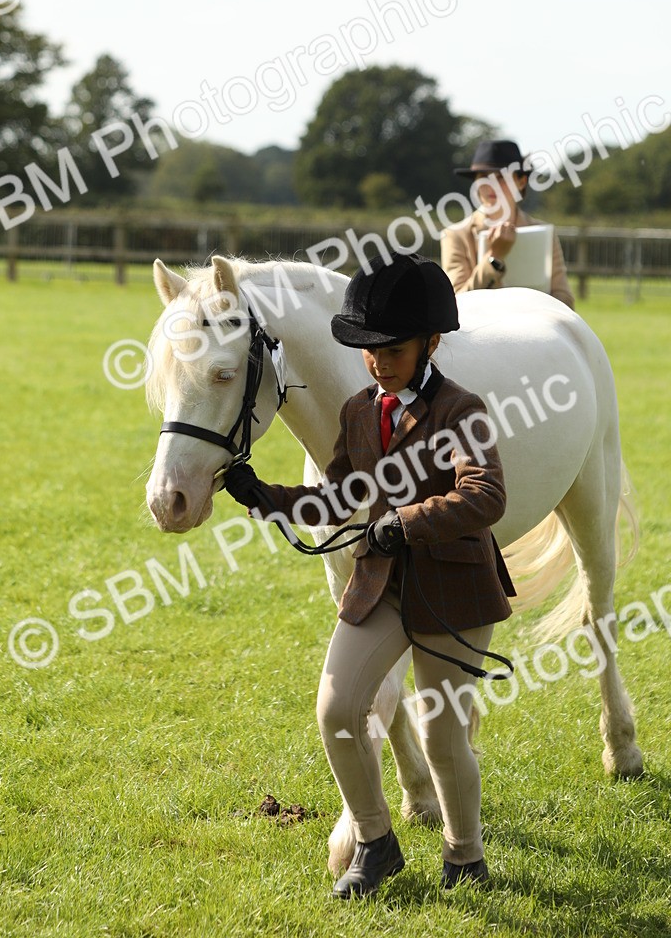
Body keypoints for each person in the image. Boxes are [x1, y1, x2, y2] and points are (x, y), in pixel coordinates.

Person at [223, 253, 515, 898]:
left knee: (443, 732)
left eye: (393, 349)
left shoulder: (460, 408)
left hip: (452, 590)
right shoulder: (359, 410)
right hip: (380, 583)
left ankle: (465, 856)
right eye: (367, 349)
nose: (379, 361)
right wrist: (261, 494)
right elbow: (333, 499)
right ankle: (377, 842)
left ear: (431, 344)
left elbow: (486, 496)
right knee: (337, 709)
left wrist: (405, 521)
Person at [441, 139, 575, 308]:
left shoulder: (544, 232)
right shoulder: (456, 235)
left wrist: (534, 309)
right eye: (483, 177)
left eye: (501, 177)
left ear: (521, 181)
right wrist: (494, 259)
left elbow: (565, 300)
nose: (491, 185)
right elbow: (458, 303)